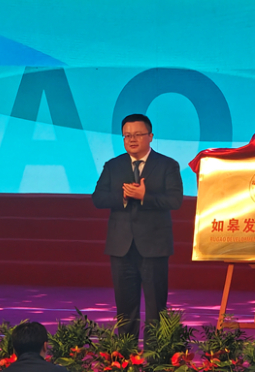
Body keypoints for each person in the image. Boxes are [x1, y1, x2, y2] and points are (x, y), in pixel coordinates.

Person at [92, 113, 183, 340]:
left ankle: (155, 355)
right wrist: (123, 196)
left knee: (156, 307)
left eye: (138, 135)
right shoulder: (113, 166)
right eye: (127, 135)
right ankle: (126, 353)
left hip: (154, 246)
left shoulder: (167, 165)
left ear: (150, 136)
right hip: (121, 246)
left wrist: (145, 196)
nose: (132, 140)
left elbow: (175, 201)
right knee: (125, 308)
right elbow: (98, 198)